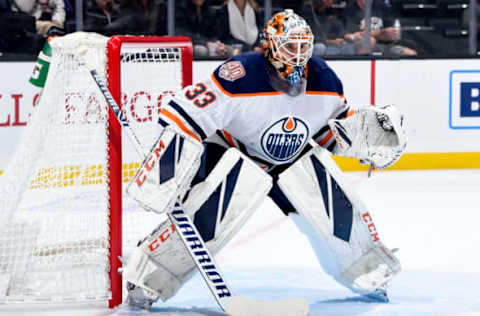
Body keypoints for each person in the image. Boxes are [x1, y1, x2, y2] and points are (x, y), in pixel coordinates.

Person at [122, 9, 407, 310]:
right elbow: (182, 115)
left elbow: (329, 134)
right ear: (270, 46)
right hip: (235, 153)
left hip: (290, 160)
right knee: (206, 224)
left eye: (303, 46)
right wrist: (169, 168)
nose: (298, 55)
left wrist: (366, 137)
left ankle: (366, 271)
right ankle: (147, 277)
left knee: (336, 209)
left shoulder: (324, 77)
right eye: (289, 46)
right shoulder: (240, 74)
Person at [344, 0, 417, 56]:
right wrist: (380, 33)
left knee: (411, 54)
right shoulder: (350, 9)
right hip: (360, 45)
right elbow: (356, 35)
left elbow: (389, 33)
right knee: (370, 41)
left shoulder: (381, 7)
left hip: (385, 45)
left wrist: (389, 35)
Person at [300, 0, 373, 56]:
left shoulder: (331, 12)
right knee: (320, 47)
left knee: (348, 47)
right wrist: (332, 42)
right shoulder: (307, 13)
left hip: (332, 47)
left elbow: (339, 29)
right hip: (316, 47)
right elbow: (310, 38)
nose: (333, 2)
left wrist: (351, 36)